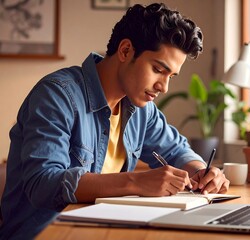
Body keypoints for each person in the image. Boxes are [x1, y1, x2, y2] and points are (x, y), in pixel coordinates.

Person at [0, 3, 229, 239]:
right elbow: (43, 183)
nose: (164, 86)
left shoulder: (142, 109)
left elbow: (176, 150)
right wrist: (135, 182)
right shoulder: (57, 95)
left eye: (170, 76)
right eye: (158, 69)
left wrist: (203, 172)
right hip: (45, 234)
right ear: (126, 50)